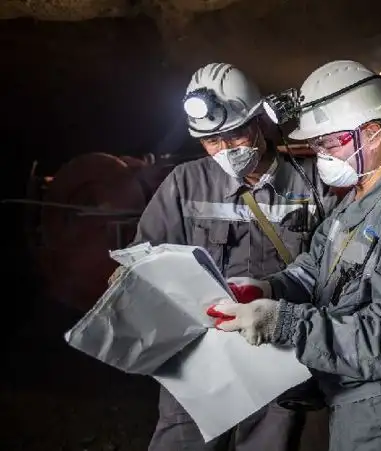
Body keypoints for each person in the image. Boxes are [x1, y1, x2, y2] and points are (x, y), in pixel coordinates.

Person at [207, 60, 381, 451]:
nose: (320, 154)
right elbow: (314, 271)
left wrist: (284, 323)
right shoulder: (354, 203)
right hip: (354, 401)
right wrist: (267, 288)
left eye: (330, 142)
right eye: (317, 144)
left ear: (371, 133)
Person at [118, 62, 335, 451]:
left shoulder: (314, 185)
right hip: (200, 366)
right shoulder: (185, 184)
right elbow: (144, 261)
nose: (224, 150)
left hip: (280, 367)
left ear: (260, 122)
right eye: (211, 141)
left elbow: (334, 272)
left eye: (234, 135)